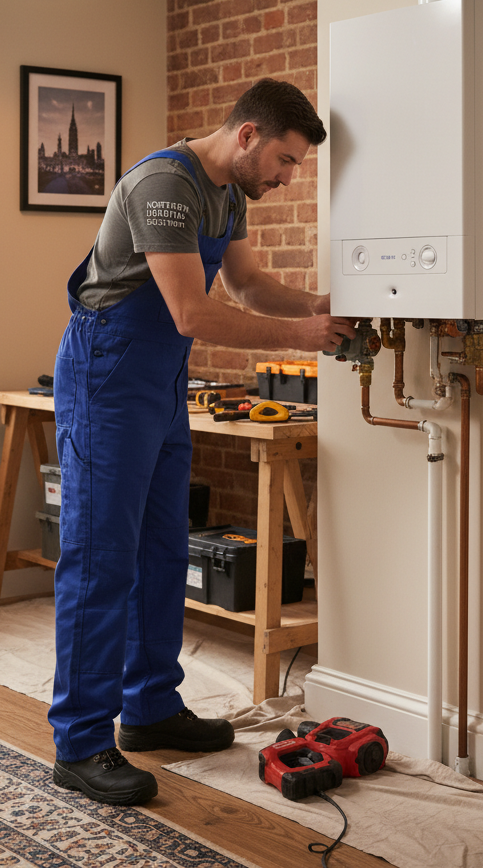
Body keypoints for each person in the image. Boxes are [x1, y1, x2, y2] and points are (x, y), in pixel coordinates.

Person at [49, 78, 356, 806]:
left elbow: (246, 286)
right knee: (101, 559)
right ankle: (80, 741)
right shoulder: (164, 183)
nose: (286, 179)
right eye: (284, 161)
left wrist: (315, 304)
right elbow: (191, 310)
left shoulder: (229, 195)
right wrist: (303, 340)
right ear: (247, 135)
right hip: (107, 375)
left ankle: (151, 707)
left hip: (158, 386)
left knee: (161, 549)